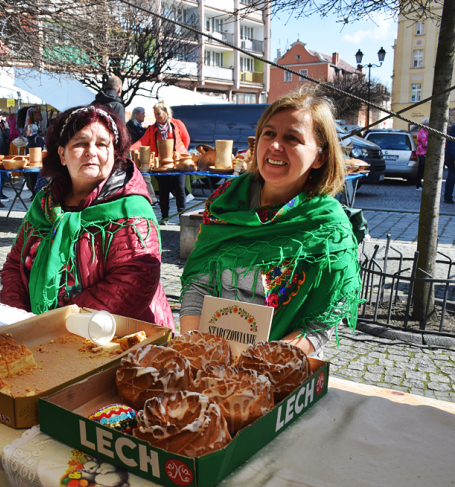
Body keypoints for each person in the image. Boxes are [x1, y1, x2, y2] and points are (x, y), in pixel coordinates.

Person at [179, 90, 362, 356]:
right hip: (211, 357)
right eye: (269, 133)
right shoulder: (224, 203)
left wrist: (266, 360)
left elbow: (325, 315)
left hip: (283, 364)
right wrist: (195, 343)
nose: (275, 145)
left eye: (292, 138)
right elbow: (198, 284)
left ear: (320, 157)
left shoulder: (328, 226)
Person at [1, 104, 174, 328]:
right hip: (43, 336)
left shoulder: (129, 210)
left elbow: (132, 280)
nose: (91, 151)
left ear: (115, 153)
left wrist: (56, 326)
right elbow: (15, 265)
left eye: (102, 144)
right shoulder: (45, 204)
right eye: (81, 143)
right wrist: (21, 322)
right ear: (62, 154)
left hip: (119, 341)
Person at [130, 100, 190, 220]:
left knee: (179, 190)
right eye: (155, 114)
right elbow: (142, 142)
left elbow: (186, 138)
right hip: (161, 163)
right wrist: (128, 149)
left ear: (166, 112)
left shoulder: (177, 124)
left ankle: (182, 217)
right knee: (164, 190)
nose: (156, 116)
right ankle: (164, 217)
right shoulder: (152, 129)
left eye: (158, 114)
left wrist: (181, 154)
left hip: (177, 162)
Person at [127, 106, 158, 206]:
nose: (144, 116)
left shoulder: (139, 126)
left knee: (145, 177)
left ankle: (150, 198)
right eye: (142, 114)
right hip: (135, 155)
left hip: (140, 154)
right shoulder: (130, 126)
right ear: (136, 115)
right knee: (145, 177)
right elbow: (138, 141)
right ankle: (152, 199)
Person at [25, 123, 45, 199]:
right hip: (30, 163)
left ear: (30, 130)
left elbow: (40, 150)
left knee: (35, 179)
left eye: (27, 130)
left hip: (36, 163)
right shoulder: (30, 139)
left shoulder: (37, 138)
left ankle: (36, 195)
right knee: (31, 179)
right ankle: (34, 194)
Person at [443, 121, 455, 204]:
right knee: (451, 178)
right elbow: (451, 145)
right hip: (453, 159)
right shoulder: (453, 129)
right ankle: (448, 197)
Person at [415, 118, 428, 191]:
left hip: (423, 152)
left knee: (422, 169)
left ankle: (419, 184)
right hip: (423, 153)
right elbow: (424, 143)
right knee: (421, 169)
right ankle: (418, 184)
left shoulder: (425, 131)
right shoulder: (423, 132)